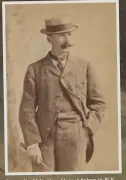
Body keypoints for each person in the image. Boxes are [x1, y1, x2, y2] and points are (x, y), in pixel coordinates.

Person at [19, 15, 106, 172]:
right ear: (49, 38)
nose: (67, 39)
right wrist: (32, 143)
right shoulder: (35, 69)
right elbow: (27, 110)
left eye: (69, 34)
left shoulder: (84, 66)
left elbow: (98, 103)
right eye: (61, 35)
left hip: (75, 138)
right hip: (44, 139)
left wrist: (87, 129)